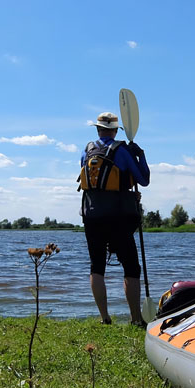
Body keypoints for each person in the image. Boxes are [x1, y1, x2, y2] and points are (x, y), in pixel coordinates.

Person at [78, 111, 150, 326]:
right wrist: (141, 155)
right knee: (131, 267)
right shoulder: (122, 150)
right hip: (119, 217)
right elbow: (143, 179)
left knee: (97, 266)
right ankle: (136, 318)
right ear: (115, 130)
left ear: (98, 129)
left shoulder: (87, 150)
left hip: (91, 216)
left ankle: (104, 318)